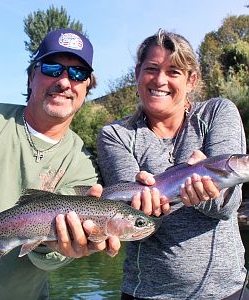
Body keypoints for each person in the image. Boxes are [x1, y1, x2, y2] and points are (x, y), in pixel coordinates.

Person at [0, 28, 120, 300]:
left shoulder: (83, 168)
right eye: (53, 68)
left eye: (77, 74)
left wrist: (61, 249)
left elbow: (46, 261)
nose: (65, 81)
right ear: (31, 76)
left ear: (87, 88)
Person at [97, 29, 248, 299]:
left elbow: (227, 207)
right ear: (137, 75)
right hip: (146, 293)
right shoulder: (115, 135)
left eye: (174, 72)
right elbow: (134, 228)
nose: (160, 80)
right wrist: (146, 213)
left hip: (228, 292)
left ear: (192, 80)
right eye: (152, 69)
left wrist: (203, 194)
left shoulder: (218, 113)